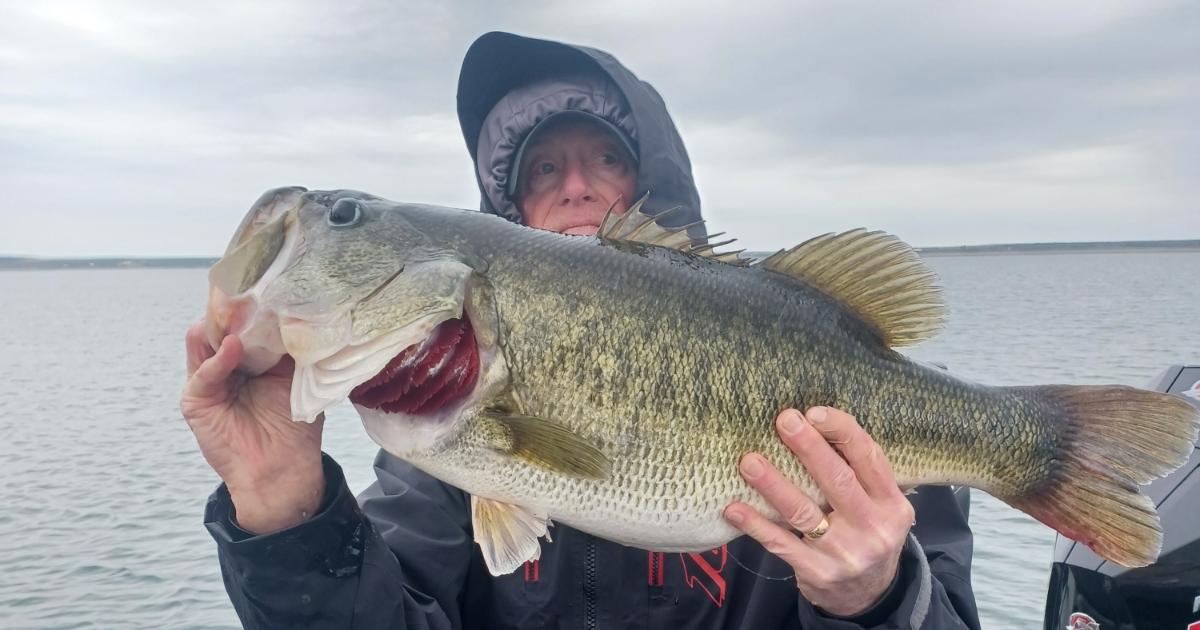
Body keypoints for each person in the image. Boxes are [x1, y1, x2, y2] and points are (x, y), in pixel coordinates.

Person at [183, 32, 980, 629]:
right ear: (508, 216)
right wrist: (285, 512)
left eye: (607, 159)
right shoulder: (439, 452)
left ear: (657, 182)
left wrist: (879, 598)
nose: (575, 187)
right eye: (542, 167)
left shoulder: (874, 442)